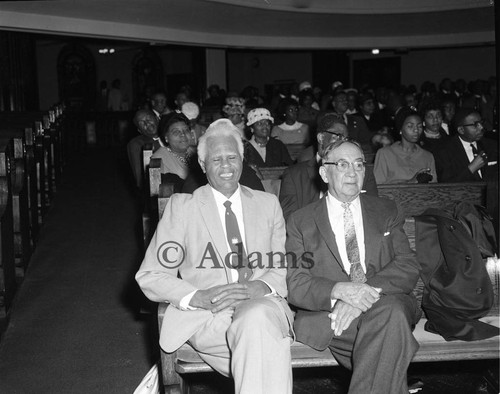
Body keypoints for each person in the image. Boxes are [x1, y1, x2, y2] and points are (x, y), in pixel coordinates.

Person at [136, 119, 294, 394]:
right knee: (261, 339)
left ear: (242, 160)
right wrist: (199, 297)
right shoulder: (183, 208)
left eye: (232, 157)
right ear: (202, 164)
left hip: (262, 307)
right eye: (216, 159)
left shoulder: (268, 204)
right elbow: (151, 275)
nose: (225, 166)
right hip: (208, 317)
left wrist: (257, 287)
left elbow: (279, 268)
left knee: (255, 321)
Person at [286, 139, 421, 393]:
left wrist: (359, 295)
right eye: (342, 164)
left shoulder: (386, 209)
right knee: (391, 329)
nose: (352, 172)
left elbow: (407, 265)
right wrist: (340, 292)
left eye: (359, 165)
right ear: (325, 173)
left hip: (386, 302)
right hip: (333, 320)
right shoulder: (300, 221)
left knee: (390, 312)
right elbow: (296, 284)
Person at [280, 115, 378, 221]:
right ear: (321, 138)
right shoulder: (294, 175)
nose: (343, 143)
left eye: (346, 139)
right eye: (338, 136)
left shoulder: (362, 172)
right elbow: (290, 220)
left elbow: (373, 213)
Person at [374, 107, 437, 184]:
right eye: (410, 126)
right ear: (400, 129)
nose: (416, 130)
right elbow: (378, 187)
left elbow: (433, 188)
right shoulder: (385, 154)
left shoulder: (427, 156)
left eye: (419, 126)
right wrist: (411, 182)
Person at [151, 112, 195, 189]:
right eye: (176, 132)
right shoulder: (159, 160)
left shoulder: (195, 152)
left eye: (186, 130)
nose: (183, 134)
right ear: (166, 138)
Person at [126, 109, 162, 189]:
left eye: (149, 118)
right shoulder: (137, 144)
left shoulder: (171, 134)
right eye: (141, 123)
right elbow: (140, 180)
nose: (147, 123)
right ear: (139, 130)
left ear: (157, 118)